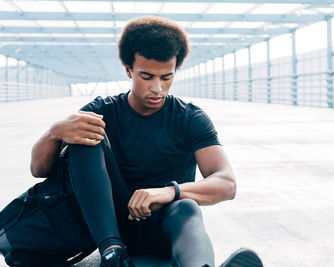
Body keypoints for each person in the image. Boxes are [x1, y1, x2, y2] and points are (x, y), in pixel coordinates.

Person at [0, 16, 263, 267]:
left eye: (166, 77)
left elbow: (226, 183)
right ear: (129, 70)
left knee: (186, 207)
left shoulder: (189, 118)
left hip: (164, 226)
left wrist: (169, 191)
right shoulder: (102, 110)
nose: (157, 88)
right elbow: (39, 170)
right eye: (146, 76)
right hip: (107, 226)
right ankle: (112, 254)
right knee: (85, 130)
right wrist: (54, 133)